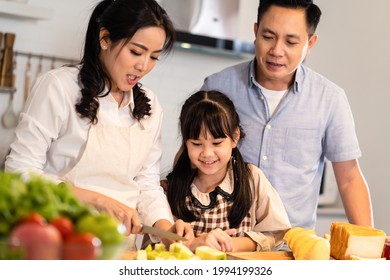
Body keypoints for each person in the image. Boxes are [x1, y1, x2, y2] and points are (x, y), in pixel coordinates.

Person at [5, 0, 192, 248]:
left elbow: (146, 183)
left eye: (154, 57)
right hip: (57, 241)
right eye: (136, 52)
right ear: (104, 38)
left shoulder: (150, 106)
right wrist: (96, 200)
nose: (144, 66)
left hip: (119, 249)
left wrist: (167, 230)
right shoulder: (59, 87)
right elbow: (20, 170)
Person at [200, 0, 373, 229]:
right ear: (255, 32)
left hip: (291, 248)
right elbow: (192, 158)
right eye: (268, 37)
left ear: (310, 43)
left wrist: (372, 249)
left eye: (291, 41)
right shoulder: (218, 87)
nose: (276, 51)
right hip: (224, 240)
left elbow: (350, 180)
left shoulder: (329, 99)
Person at [166, 90, 291, 252]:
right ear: (185, 142)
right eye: (196, 144)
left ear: (235, 137)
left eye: (217, 143)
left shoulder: (252, 178)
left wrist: (231, 244)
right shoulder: (170, 188)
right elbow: (155, 245)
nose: (207, 153)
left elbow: (277, 234)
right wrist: (192, 244)